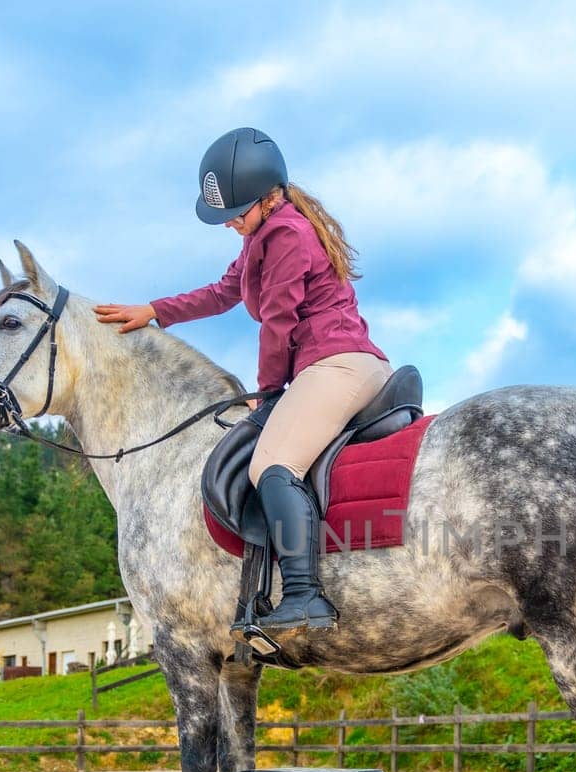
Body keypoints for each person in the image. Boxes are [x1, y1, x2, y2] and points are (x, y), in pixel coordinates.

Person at [94, 128, 390, 636]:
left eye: (236, 211)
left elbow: (278, 321)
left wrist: (268, 391)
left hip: (336, 364)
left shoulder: (288, 235)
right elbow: (224, 291)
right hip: (331, 365)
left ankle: (304, 594)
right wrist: (154, 311)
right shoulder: (262, 235)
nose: (229, 222)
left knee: (272, 463)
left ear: (268, 196)